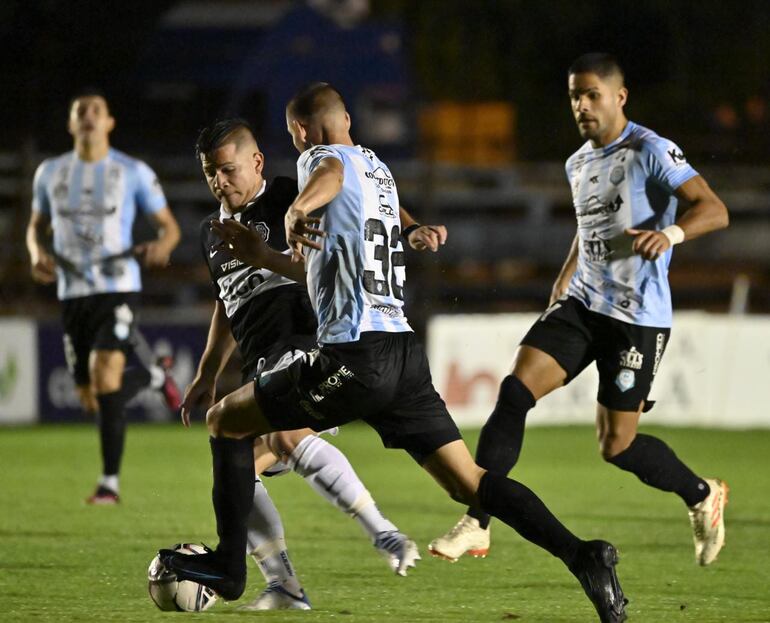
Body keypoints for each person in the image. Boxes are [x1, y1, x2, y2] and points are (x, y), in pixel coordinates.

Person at [159, 83, 628, 623]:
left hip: (352, 356)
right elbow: (329, 248)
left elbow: (328, 172)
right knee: (467, 482)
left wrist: (297, 210)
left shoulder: (321, 161)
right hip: (403, 352)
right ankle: (584, 555)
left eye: (294, 138)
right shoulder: (377, 169)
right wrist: (409, 229)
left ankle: (231, 568)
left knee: (226, 422)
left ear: (302, 132)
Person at [429, 53, 730, 568]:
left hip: (636, 318)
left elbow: (714, 208)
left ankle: (702, 493)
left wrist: (670, 233)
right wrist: (563, 282)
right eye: (575, 96)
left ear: (620, 97)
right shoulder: (577, 163)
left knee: (617, 446)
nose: (582, 105)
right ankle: (477, 523)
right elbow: (588, 229)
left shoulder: (650, 149)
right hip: (583, 303)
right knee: (514, 391)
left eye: (592, 94)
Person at [182, 117, 447, 609]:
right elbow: (226, 300)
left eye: (228, 169)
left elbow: (364, 190)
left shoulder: (288, 193)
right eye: (210, 173)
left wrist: (410, 229)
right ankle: (284, 585)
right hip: (259, 358)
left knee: (284, 436)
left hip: (305, 337)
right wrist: (207, 372)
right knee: (240, 474)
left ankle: (384, 533)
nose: (220, 181)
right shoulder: (210, 232)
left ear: (256, 162)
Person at [26, 89, 182, 504]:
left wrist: (162, 246)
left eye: (97, 110)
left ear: (110, 121)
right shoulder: (51, 172)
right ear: (71, 124)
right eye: (81, 111)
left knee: (105, 373)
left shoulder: (131, 172)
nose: (89, 116)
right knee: (93, 398)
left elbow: (169, 227)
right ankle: (152, 376)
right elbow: (35, 226)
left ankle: (109, 484)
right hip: (73, 291)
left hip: (118, 286)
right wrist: (37, 252)